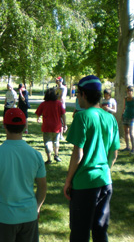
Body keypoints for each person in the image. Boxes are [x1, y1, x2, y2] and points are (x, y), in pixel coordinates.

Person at [63, 75, 120, 242]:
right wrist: (105, 170)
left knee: (80, 233)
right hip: (105, 181)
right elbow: (114, 153)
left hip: (84, 185)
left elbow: (78, 154)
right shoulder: (110, 118)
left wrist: (68, 181)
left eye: (77, 93)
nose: (76, 97)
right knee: (100, 231)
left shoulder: (82, 117)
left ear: (83, 94)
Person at [0, 108, 47, 242]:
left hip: (3, 217)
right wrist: (37, 207)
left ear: (4, 126)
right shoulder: (36, 155)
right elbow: (42, 187)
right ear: (24, 126)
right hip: (29, 216)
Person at [35, 88, 66, 164]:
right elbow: (63, 114)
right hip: (56, 126)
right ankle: (56, 155)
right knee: (56, 141)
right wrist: (65, 124)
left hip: (47, 126)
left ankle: (49, 159)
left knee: (47, 142)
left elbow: (38, 113)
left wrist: (38, 118)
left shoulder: (43, 104)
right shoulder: (59, 103)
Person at [121, 85, 134, 154]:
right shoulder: (125, 99)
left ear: (132, 92)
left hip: (132, 118)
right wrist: (122, 114)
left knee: (131, 133)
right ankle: (127, 147)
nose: (129, 92)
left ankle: (133, 148)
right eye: (128, 91)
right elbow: (124, 107)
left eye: (130, 91)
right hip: (125, 116)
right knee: (126, 132)